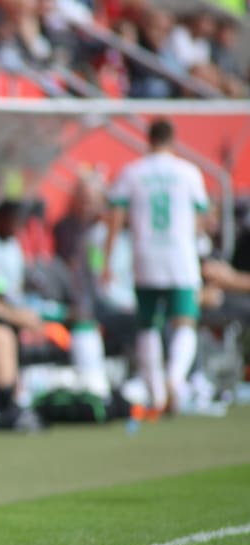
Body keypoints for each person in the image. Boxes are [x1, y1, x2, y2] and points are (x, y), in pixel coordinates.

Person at [103, 118, 208, 414]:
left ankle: (157, 393)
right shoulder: (188, 172)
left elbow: (116, 218)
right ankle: (175, 378)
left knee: (148, 324)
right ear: (173, 139)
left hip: (146, 255)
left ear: (148, 139)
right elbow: (202, 218)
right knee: (185, 321)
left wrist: (108, 261)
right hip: (180, 257)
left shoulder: (132, 173)